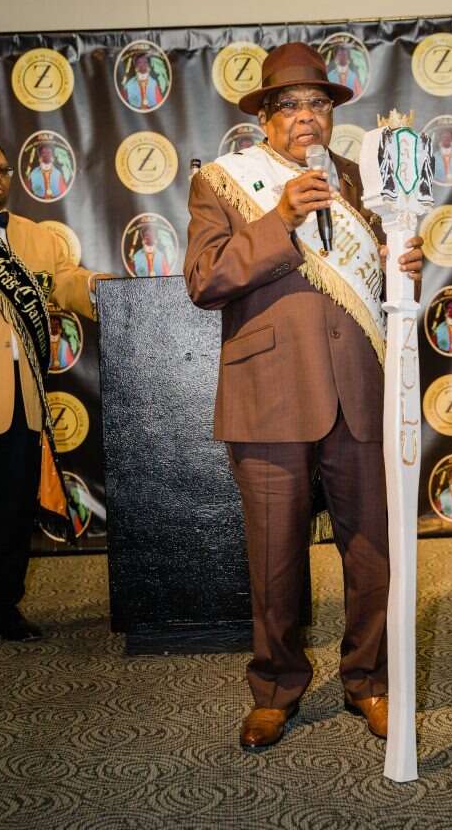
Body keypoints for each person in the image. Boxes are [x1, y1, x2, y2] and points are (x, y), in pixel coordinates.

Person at [185, 42, 423, 749]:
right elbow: (204, 280)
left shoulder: (361, 179)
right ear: (264, 118)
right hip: (269, 392)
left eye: (318, 103)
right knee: (275, 556)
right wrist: (280, 218)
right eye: (288, 105)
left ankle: (368, 680)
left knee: (372, 550)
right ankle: (275, 688)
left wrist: (404, 266)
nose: (306, 117)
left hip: (360, 388)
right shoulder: (225, 183)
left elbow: (381, 284)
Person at [0, 134, 107, 660]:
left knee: (10, 512)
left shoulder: (36, 236)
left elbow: (64, 283)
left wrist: (100, 288)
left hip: (26, 397)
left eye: (2, 169)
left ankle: (1, 608)